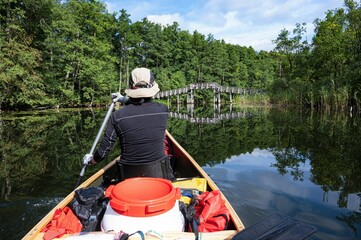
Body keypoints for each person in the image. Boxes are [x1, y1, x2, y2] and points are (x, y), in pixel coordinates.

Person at [84, 67, 174, 180]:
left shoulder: (117, 116)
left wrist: (91, 160)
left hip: (128, 177)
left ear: (131, 86)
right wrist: (124, 100)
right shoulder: (163, 110)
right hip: (159, 175)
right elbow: (142, 106)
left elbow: (104, 151)